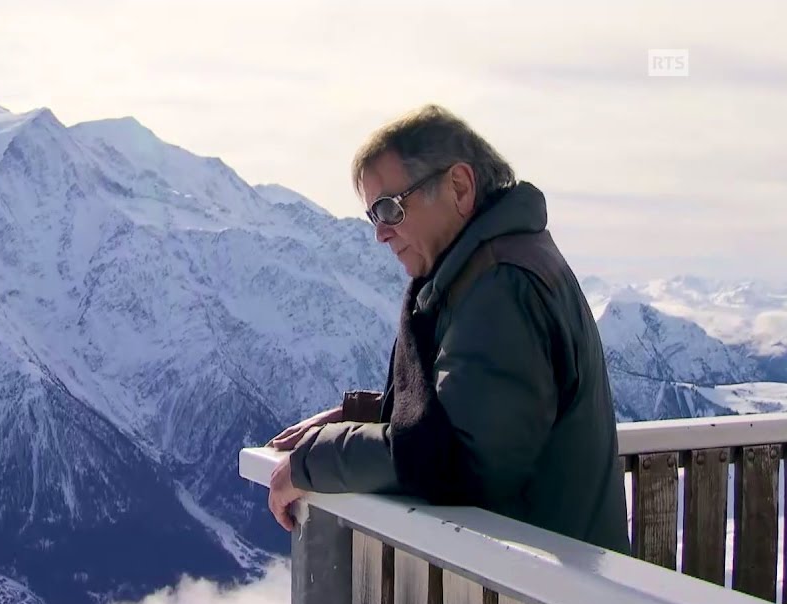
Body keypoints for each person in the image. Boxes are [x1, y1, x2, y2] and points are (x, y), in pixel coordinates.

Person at [266, 105, 629, 554]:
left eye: (389, 209)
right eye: (372, 216)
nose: (380, 233)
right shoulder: (492, 270)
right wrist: (367, 416)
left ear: (459, 186)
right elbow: (477, 405)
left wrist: (315, 460)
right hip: (546, 594)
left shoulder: (502, 286)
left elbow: (459, 459)